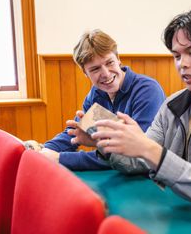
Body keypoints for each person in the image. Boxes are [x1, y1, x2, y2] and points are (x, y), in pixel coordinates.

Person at [69, 7, 191, 214]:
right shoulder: (174, 105)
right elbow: (137, 162)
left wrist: (149, 149)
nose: (183, 64)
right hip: (181, 212)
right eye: (176, 55)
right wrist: (103, 143)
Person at [41, 29, 165, 170]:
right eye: (95, 69)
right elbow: (75, 132)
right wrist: (43, 150)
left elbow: (134, 155)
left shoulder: (147, 91)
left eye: (109, 63)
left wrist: (61, 158)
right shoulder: (96, 94)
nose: (105, 74)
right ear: (85, 73)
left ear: (118, 59)